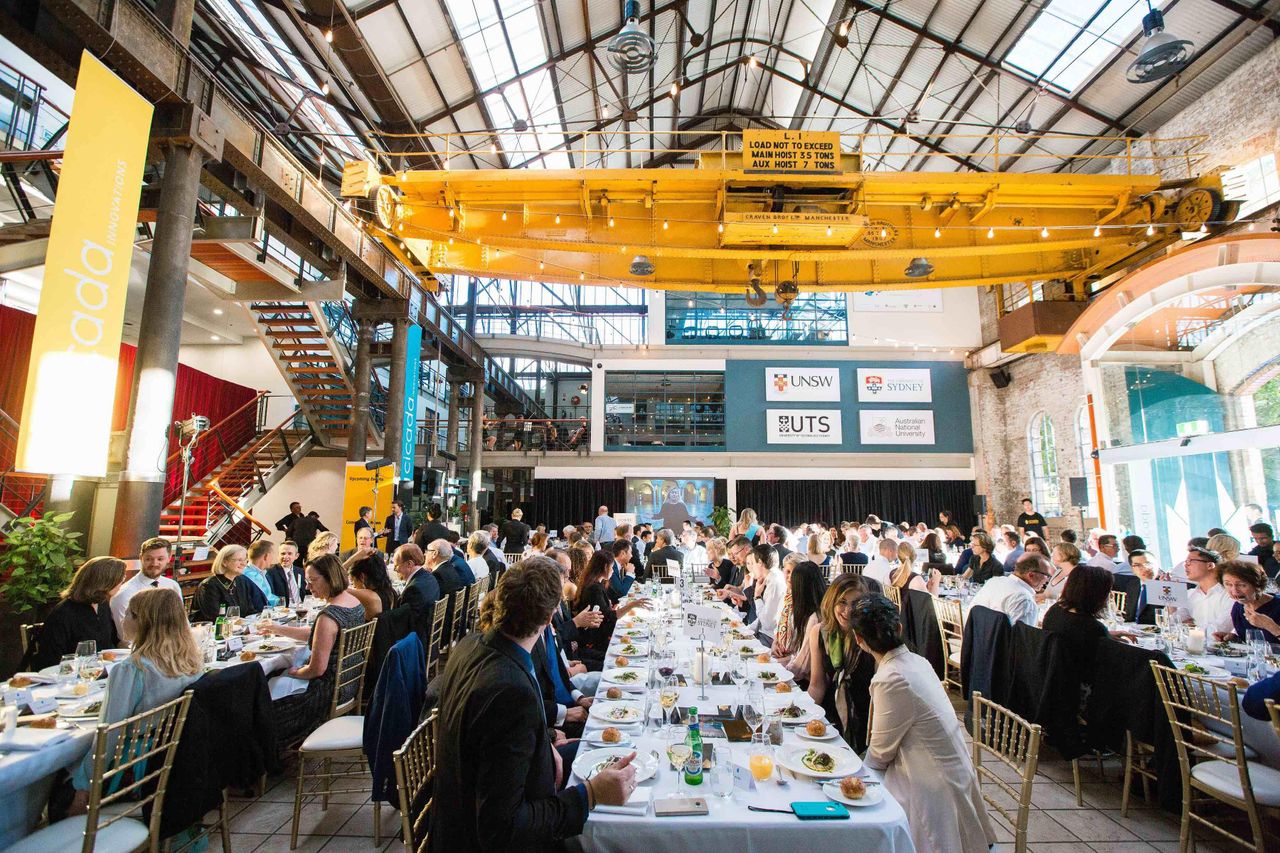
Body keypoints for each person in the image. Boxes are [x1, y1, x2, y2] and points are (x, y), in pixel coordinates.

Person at [429, 559, 636, 851]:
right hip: (481, 839)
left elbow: (490, 742)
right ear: (552, 616)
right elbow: (504, 828)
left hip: (454, 818)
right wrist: (589, 794)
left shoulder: (469, 646)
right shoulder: (510, 691)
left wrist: (544, 741)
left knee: (610, 748)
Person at [854, 595, 996, 852]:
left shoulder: (892, 678)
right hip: (957, 777)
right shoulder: (918, 662)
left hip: (932, 790)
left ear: (859, 641)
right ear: (899, 628)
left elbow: (879, 754)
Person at [68, 589, 204, 812]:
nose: (122, 618)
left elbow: (109, 733)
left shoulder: (133, 668)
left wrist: (83, 787)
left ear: (144, 622)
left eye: (129, 614)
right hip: (178, 761)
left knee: (59, 784)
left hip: (136, 769)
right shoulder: (192, 662)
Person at [259, 555, 368, 745]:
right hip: (348, 683)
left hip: (325, 692)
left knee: (262, 692)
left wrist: (294, 672)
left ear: (330, 577)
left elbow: (316, 670)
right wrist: (278, 628)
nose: (308, 587)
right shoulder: (353, 602)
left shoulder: (329, 615)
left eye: (312, 581)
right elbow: (317, 634)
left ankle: (272, 754)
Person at [805, 573, 879, 752]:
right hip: (830, 719)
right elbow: (817, 685)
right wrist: (803, 717)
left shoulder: (871, 637)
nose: (847, 611)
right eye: (842, 602)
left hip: (867, 720)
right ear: (832, 602)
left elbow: (879, 695)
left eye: (855, 604)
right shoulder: (820, 633)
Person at [30, 557, 125, 670]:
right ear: (105, 581)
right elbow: (51, 660)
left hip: (102, 672)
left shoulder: (102, 605)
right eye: (120, 577)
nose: (123, 580)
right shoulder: (64, 613)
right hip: (71, 677)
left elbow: (109, 643)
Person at [1041, 565, 1113, 687]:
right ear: (1097, 594)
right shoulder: (1093, 628)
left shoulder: (1054, 612)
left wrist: (1108, 635)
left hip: (1052, 679)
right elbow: (1105, 665)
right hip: (1079, 687)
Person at [571, 551, 648, 656]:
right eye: (612, 567)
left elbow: (604, 610)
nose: (612, 571)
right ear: (605, 567)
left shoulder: (595, 583)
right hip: (595, 640)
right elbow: (609, 617)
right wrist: (632, 605)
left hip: (597, 634)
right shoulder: (594, 588)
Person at [110, 537, 182, 641]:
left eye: (160, 559)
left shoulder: (173, 586)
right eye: (149, 559)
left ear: (169, 558)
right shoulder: (125, 593)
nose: (154, 564)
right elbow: (126, 637)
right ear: (141, 558)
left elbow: (182, 624)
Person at [774, 560, 826, 685]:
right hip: (797, 671)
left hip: (805, 682)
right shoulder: (808, 610)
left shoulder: (814, 617)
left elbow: (802, 665)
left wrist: (776, 674)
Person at [970, 553, 1052, 627]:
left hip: (976, 640)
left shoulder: (993, 581)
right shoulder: (1024, 599)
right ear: (1031, 575)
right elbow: (1022, 638)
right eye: (1047, 575)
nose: (1048, 580)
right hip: (1000, 643)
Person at [191, 544, 267, 622]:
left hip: (240, 631)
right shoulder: (208, 586)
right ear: (224, 562)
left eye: (245, 560)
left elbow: (250, 611)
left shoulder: (241, 581)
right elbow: (214, 618)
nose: (244, 564)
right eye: (239, 560)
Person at [389, 543, 440, 650]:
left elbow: (404, 624)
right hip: (429, 636)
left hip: (417, 645)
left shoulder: (414, 590)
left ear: (409, 564)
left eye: (396, 566)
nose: (395, 570)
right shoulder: (429, 577)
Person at [1216, 559, 1280, 643]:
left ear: (1257, 586)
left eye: (1242, 585)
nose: (1234, 591)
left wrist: (1270, 626)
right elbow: (1254, 644)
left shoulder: (1277, 606)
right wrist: (1235, 638)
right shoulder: (1238, 607)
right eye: (1228, 584)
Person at [1182, 546, 1232, 636]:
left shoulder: (1230, 594)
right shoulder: (1189, 594)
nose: (1186, 565)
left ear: (1210, 565)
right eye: (1185, 562)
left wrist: (1191, 627)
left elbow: (1218, 630)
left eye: (1190, 561)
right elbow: (1176, 624)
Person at [746, 544, 786, 645]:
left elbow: (768, 624)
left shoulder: (774, 582)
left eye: (753, 563)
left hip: (769, 639)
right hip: (763, 634)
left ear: (760, 562)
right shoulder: (770, 578)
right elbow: (763, 616)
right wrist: (746, 630)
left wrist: (757, 597)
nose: (751, 568)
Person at [348, 549, 397, 620]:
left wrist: (353, 559)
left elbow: (334, 586)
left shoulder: (370, 596)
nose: (354, 586)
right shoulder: (392, 592)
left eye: (353, 581)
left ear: (362, 577)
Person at [267, 540, 308, 606]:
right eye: (283, 553)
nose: (285, 557)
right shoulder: (270, 572)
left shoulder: (300, 571)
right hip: (284, 611)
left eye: (289, 553)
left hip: (301, 608)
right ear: (278, 555)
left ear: (296, 556)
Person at [245, 540, 282, 607]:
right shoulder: (249, 575)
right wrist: (283, 603)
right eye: (272, 555)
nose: (273, 559)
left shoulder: (265, 573)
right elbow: (267, 599)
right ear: (266, 556)